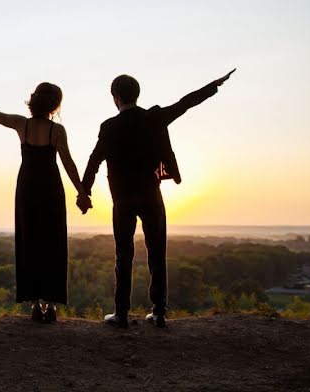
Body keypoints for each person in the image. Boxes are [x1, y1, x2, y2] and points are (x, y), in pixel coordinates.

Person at [81, 69, 236, 329]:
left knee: (123, 254)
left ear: (115, 97)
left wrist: (84, 191)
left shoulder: (109, 127)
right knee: (157, 252)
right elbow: (186, 103)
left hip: (122, 199)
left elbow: (94, 161)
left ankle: (120, 314)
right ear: (137, 95)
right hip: (152, 195)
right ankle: (159, 312)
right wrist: (213, 85)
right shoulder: (154, 118)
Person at [0, 82, 90, 323]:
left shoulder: (21, 125)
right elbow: (68, 163)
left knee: (30, 242)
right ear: (55, 105)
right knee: (52, 243)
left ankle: (34, 303)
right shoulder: (57, 131)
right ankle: (51, 305)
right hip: (51, 190)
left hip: (27, 190)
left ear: (34, 100)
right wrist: (82, 192)